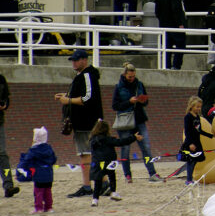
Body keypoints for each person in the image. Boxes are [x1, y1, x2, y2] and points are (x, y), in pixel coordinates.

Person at [55, 49, 103, 198]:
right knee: (92, 154)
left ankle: (88, 186)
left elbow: (88, 98)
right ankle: (102, 184)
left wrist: (68, 100)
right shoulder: (81, 76)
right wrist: (66, 96)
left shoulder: (87, 75)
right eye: (72, 60)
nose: (74, 63)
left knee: (87, 154)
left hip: (87, 122)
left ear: (84, 60)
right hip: (82, 122)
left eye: (76, 60)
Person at [111, 63, 160, 183]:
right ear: (124, 75)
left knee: (146, 148)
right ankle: (128, 175)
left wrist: (142, 101)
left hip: (139, 119)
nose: (132, 79)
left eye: (133, 76)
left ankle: (152, 173)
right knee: (125, 149)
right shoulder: (119, 87)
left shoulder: (139, 85)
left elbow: (146, 102)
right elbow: (115, 105)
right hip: (125, 121)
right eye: (129, 77)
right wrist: (129, 102)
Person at [88, 120, 140, 206]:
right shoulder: (108, 139)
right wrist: (133, 137)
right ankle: (113, 192)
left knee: (98, 182)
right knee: (112, 177)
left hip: (97, 163)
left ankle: (95, 199)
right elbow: (121, 142)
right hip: (109, 162)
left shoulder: (92, 140)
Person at [19, 127, 56, 213]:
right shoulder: (49, 149)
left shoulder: (34, 150)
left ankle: (39, 208)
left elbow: (27, 160)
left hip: (38, 174)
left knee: (38, 192)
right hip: (49, 174)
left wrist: (21, 168)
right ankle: (49, 207)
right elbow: (54, 159)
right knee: (48, 192)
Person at [155, 0, 187, 70]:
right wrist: (180, 23)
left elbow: (157, 11)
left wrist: (162, 19)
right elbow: (176, 10)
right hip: (175, 25)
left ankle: (166, 65)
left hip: (164, 25)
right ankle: (176, 65)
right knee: (180, 45)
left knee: (166, 46)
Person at [182, 96, 214, 185]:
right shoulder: (188, 117)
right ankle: (188, 179)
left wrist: (210, 136)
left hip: (197, 142)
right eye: (197, 107)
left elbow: (199, 130)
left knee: (195, 160)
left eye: (200, 107)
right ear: (191, 106)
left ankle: (190, 178)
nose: (199, 109)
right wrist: (190, 143)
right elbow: (187, 131)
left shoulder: (198, 117)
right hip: (190, 142)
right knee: (190, 161)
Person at [0, 71, 17, 198]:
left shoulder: (1, 79)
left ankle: (8, 185)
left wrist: (4, 105)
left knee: (2, 154)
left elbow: (7, 98)